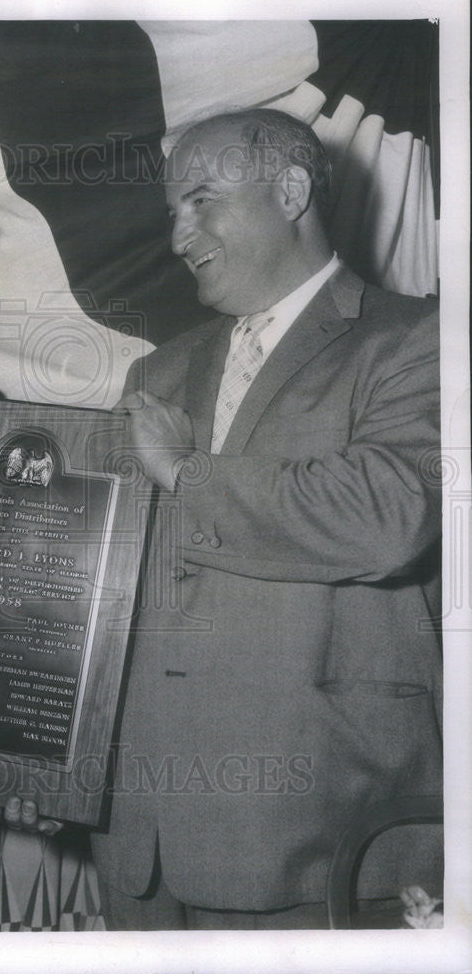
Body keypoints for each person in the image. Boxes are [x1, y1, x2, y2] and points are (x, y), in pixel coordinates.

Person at [85, 108, 443, 929]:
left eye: (200, 199)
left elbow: (386, 515)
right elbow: (104, 579)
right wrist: (42, 748)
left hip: (320, 838)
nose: (178, 236)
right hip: (141, 842)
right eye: (173, 210)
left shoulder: (418, 341)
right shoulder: (159, 370)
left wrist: (185, 473)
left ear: (288, 191)